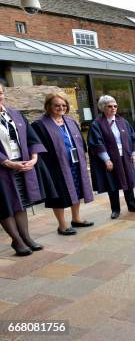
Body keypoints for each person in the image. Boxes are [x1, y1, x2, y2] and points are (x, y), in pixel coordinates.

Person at [0, 85, 53, 255]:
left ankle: (26, 237)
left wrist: (34, 157)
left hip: (21, 163)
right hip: (2, 168)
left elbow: (31, 137)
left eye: (0, 93)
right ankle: (17, 241)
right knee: (5, 204)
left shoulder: (14, 114)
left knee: (20, 202)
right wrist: (6, 162)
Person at [33, 92, 94, 235]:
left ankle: (76, 219)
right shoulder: (39, 125)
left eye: (63, 105)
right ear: (48, 106)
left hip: (74, 163)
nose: (61, 107)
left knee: (77, 190)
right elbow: (37, 147)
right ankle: (62, 225)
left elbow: (80, 142)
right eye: (57, 105)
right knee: (58, 195)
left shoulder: (70, 121)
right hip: (55, 167)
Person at [88, 95, 135, 219]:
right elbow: (96, 143)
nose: (113, 108)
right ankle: (115, 209)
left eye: (115, 106)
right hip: (110, 159)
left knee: (128, 182)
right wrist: (106, 159)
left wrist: (134, 154)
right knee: (112, 184)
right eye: (109, 106)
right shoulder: (97, 124)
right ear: (103, 108)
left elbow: (133, 138)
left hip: (125, 157)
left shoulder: (122, 121)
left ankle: (132, 205)